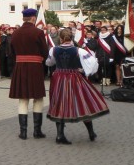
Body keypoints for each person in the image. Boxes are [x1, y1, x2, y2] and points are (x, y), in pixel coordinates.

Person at [45, 29, 110, 144]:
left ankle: (60, 135)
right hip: (74, 78)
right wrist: (84, 70)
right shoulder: (79, 51)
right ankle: (91, 132)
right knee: (83, 102)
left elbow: (49, 63)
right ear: (72, 38)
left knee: (60, 103)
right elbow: (93, 64)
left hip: (59, 78)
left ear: (60, 38)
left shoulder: (53, 50)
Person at [9, 8, 49, 140]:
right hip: (35, 68)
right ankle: (37, 131)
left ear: (23, 18)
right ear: (33, 18)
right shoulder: (38, 32)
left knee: (23, 99)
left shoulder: (15, 33)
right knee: (38, 98)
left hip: (20, 67)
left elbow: (11, 53)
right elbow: (45, 52)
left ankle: (23, 132)